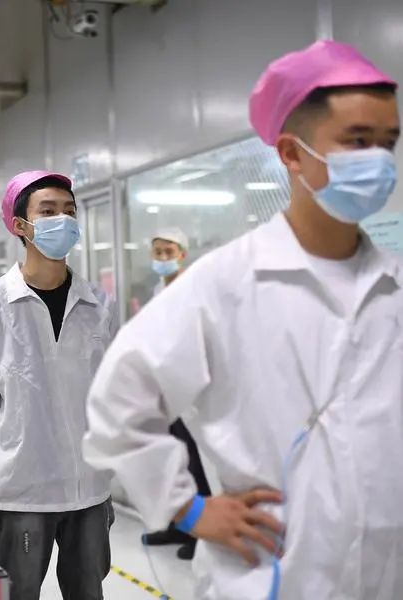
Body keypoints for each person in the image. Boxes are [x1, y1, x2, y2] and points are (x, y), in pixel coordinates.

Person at [83, 40, 403, 599]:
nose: (379, 160)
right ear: (291, 153)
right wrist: (186, 507)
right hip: (270, 576)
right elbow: (118, 402)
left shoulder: (393, 285)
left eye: (389, 143)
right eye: (357, 142)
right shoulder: (224, 285)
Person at [0, 171, 119, 600]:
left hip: (89, 487)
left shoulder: (99, 305)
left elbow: (114, 393)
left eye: (69, 211)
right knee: (19, 594)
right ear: (20, 226)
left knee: (88, 592)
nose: (62, 219)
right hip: (21, 489)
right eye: (48, 211)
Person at [139, 227, 212, 561]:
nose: (163, 258)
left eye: (169, 252)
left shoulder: (196, 290)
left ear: (182, 254)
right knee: (171, 464)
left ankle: (201, 534)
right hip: (164, 392)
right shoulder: (159, 290)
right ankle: (176, 525)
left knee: (196, 466)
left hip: (192, 395)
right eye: (158, 252)